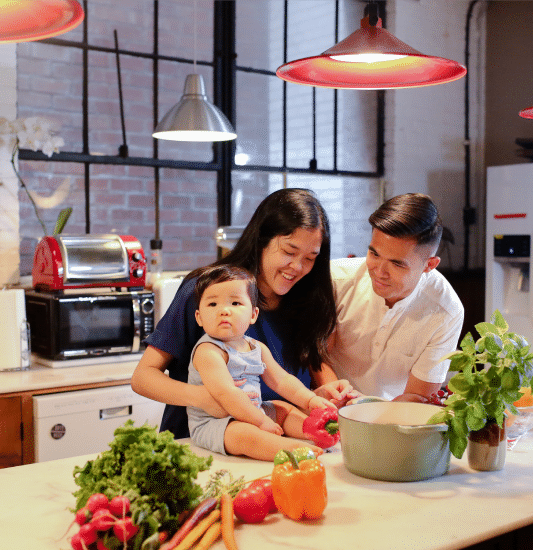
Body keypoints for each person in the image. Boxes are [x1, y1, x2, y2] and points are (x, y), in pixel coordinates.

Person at [131, 188, 353, 440]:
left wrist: (319, 397)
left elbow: (294, 385)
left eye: (310, 258)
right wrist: (204, 397)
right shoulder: (209, 291)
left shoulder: (306, 300)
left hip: (275, 446)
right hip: (200, 445)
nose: (298, 267)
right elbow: (143, 378)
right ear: (261, 241)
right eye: (289, 252)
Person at [315, 193, 464, 404]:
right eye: (374, 254)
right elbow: (317, 357)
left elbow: (418, 398)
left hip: (391, 414)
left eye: (397, 264)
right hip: (326, 403)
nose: (379, 272)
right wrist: (338, 398)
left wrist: (368, 411)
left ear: (429, 265)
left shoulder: (446, 311)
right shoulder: (336, 280)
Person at [186, 264, 336, 460]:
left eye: (235, 303)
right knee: (244, 435)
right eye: (213, 304)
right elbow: (227, 393)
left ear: (253, 315)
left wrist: (310, 400)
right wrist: (259, 422)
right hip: (217, 422)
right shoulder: (208, 351)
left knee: (284, 409)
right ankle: (288, 449)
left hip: (255, 410)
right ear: (199, 317)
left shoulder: (257, 347)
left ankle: (313, 430)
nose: (224, 311)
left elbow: (281, 380)